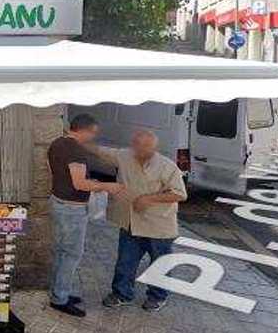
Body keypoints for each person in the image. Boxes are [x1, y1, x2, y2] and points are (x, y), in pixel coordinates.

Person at [94, 130, 187, 312]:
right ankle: (122, 294)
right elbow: (100, 151)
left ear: (153, 147)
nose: (140, 149)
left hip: (158, 226)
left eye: (145, 146)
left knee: (159, 264)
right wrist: (77, 139)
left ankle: (157, 296)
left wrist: (148, 199)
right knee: (125, 262)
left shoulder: (167, 166)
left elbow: (180, 194)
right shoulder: (124, 156)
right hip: (131, 223)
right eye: (137, 144)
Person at [47, 113, 125, 317]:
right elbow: (79, 183)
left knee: (62, 252)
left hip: (57, 201)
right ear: (84, 129)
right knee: (72, 254)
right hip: (71, 208)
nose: (92, 137)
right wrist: (108, 186)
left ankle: (58, 291)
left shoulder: (56, 143)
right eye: (93, 133)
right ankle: (60, 298)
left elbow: (56, 173)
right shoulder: (75, 150)